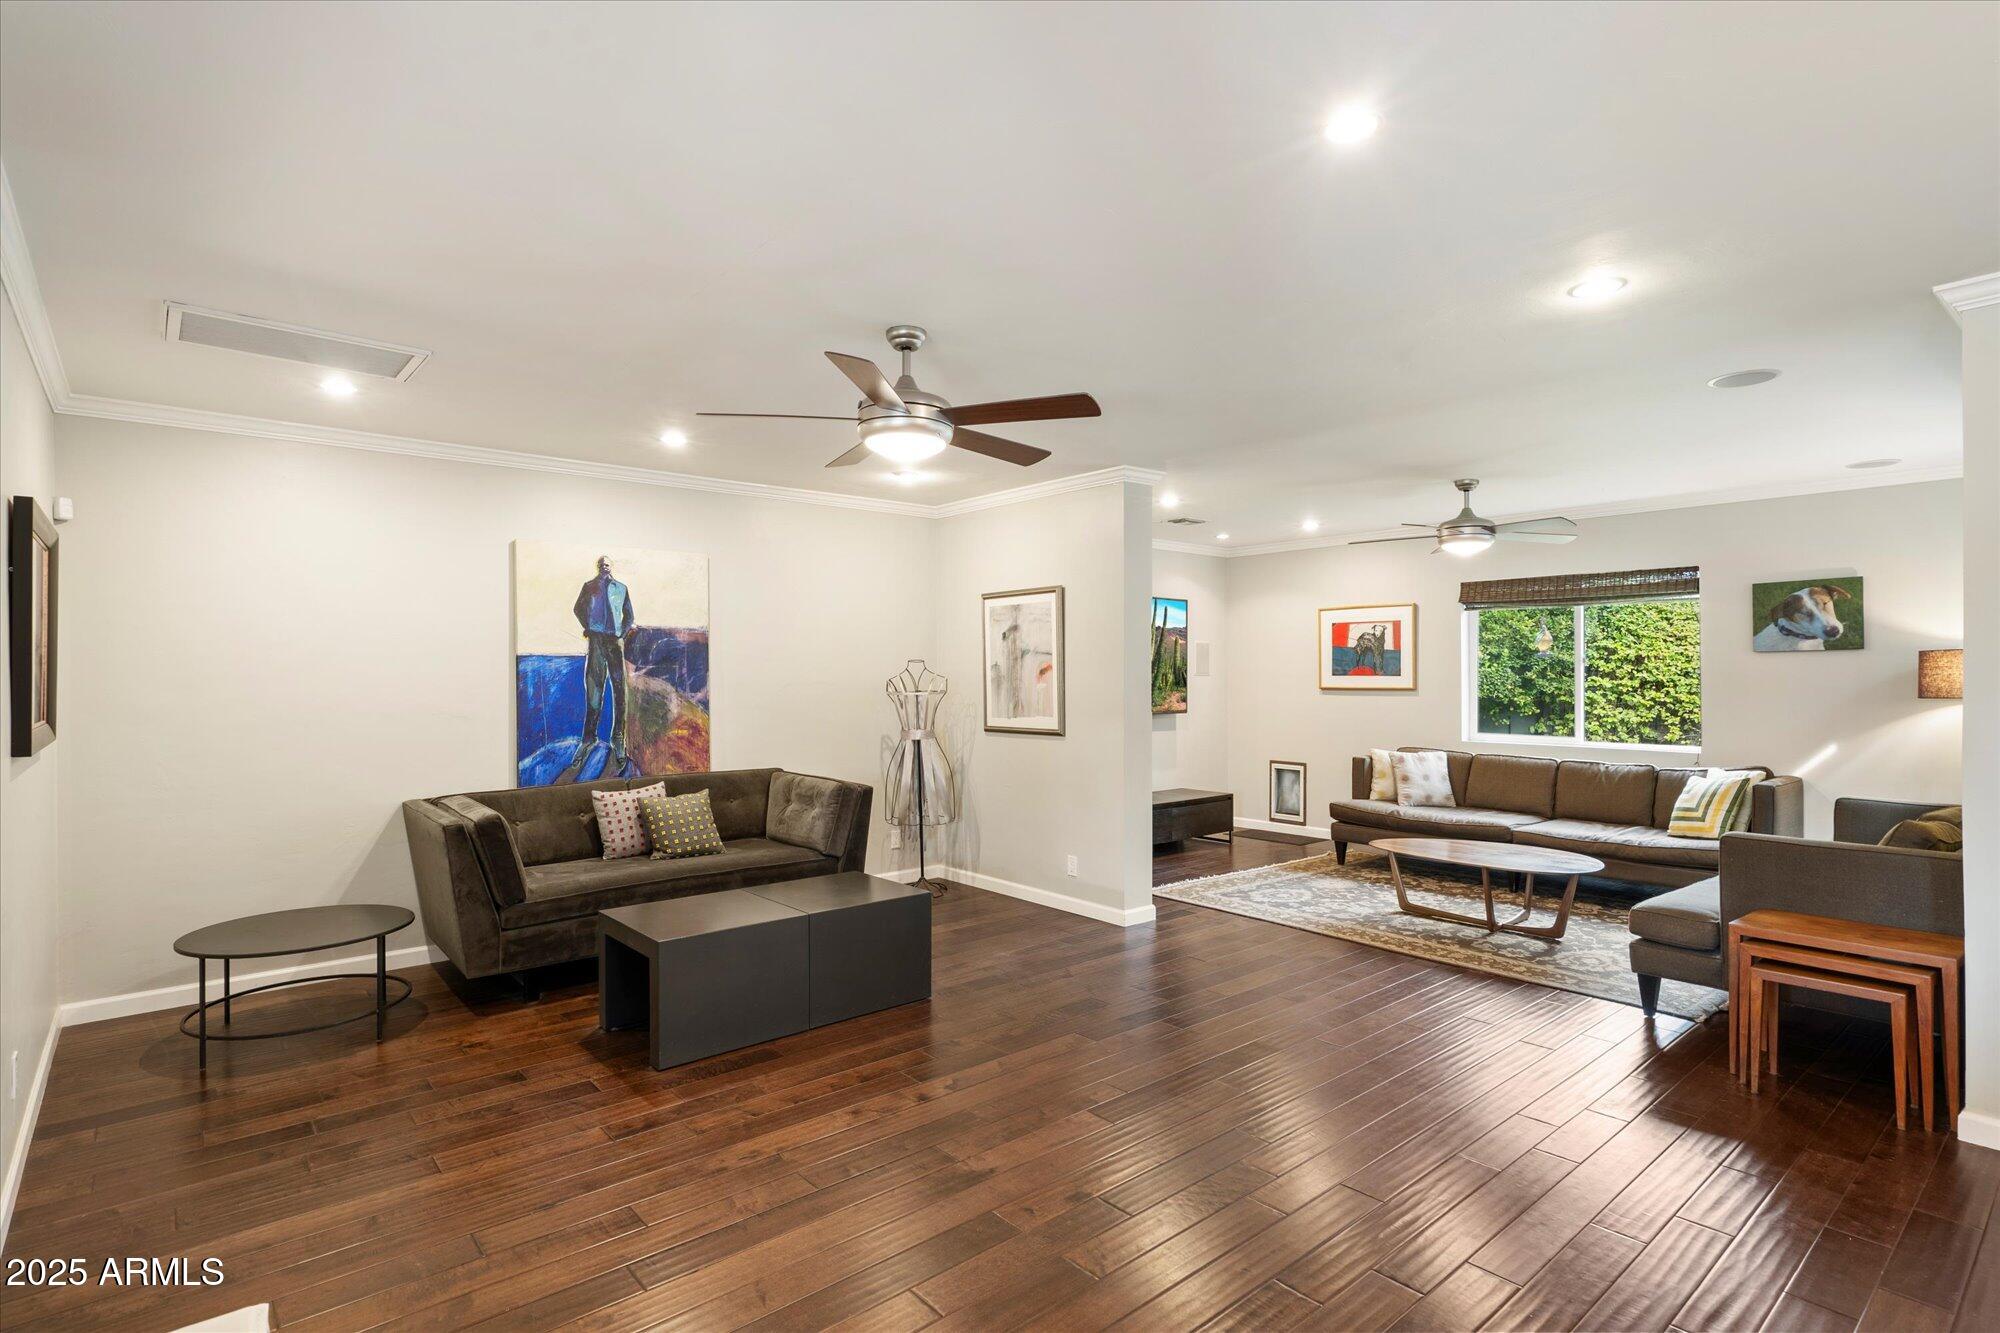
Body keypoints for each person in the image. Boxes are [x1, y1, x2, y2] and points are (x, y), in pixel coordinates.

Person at [571, 556, 636, 771]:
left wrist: (622, 633)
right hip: (597, 641)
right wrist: (589, 625)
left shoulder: (621, 588)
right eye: (601, 564)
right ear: (598, 567)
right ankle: (588, 739)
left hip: (615, 643)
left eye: (607, 564)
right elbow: (578, 609)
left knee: (620, 691)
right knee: (594, 691)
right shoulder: (589, 586)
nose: (604, 567)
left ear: (611, 567)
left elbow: (629, 615)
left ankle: (618, 739)